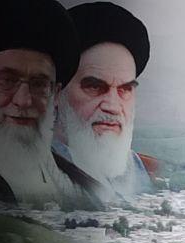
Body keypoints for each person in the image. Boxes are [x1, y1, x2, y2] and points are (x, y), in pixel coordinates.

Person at [0, 0, 100, 205]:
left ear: (56, 94)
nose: (23, 100)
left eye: (39, 84)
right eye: (8, 81)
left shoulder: (83, 188)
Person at [54, 2, 156, 202]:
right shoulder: (31, 173)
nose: (112, 107)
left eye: (125, 89)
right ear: (57, 93)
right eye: (94, 87)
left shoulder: (140, 171)